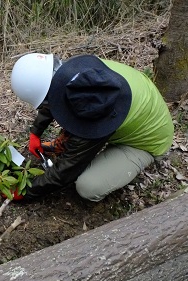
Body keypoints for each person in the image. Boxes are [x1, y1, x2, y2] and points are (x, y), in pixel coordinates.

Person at [10, 53, 174, 201]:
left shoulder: (98, 112)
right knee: (76, 117)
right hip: (142, 102)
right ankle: (70, 144)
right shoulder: (80, 70)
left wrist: (26, 191)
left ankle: (124, 159)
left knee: (87, 186)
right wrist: (36, 132)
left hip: (148, 141)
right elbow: (55, 97)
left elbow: (64, 173)